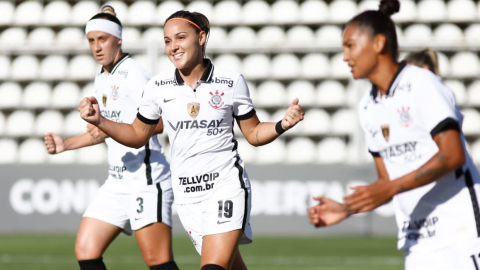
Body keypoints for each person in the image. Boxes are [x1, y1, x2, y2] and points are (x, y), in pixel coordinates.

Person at [77, 10, 305, 270]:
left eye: (180, 37)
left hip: (225, 187)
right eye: (167, 41)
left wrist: (281, 124)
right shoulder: (158, 87)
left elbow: (253, 133)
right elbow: (138, 135)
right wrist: (100, 121)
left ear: (201, 37)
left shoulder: (231, 82)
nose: (173, 46)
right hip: (187, 197)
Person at [308, 1, 480, 269]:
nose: (344, 56)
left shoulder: (422, 83)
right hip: (418, 243)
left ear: (378, 44)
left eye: (350, 45)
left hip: (460, 236)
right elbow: (386, 182)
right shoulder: (367, 107)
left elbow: (453, 154)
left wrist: (391, 187)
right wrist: (347, 208)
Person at [44, 6, 179, 270]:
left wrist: (109, 123)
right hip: (117, 181)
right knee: (86, 249)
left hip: (145, 179)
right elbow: (104, 131)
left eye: (102, 39)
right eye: (91, 40)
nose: (96, 46)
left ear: (118, 39)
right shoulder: (102, 76)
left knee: (158, 261)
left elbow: (160, 122)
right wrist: (66, 145)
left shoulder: (134, 74)